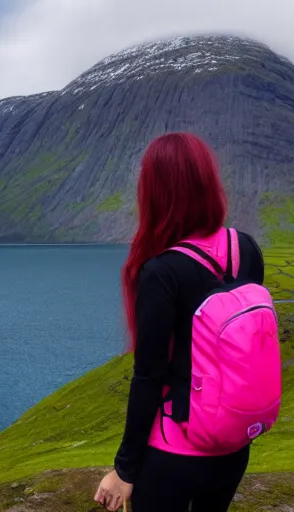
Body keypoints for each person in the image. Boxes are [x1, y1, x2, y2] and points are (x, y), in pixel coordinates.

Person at [94, 132, 267, 512]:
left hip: (175, 453)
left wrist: (124, 471)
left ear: (155, 192)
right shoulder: (246, 249)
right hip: (234, 445)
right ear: (207, 182)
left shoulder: (162, 271)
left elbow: (149, 377)